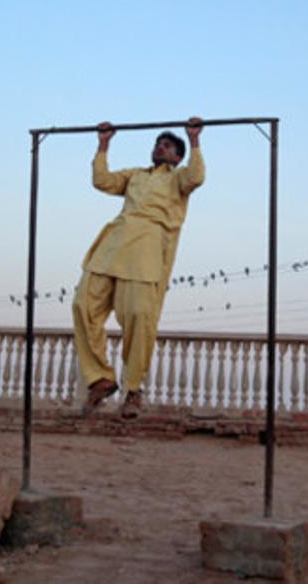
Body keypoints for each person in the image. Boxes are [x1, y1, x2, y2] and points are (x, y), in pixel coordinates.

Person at [72, 117, 205, 418]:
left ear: (177, 157)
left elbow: (196, 177)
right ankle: (101, 378)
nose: (160, 147)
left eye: (168, 145)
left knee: (139, 316)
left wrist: (194, 139)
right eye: (158, 143)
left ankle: (133, 389)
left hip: (146, 248)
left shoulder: (178, 178)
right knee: (83, 305)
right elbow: (102, 181)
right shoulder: (135, 175)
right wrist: (104, 143)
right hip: (112, 245)